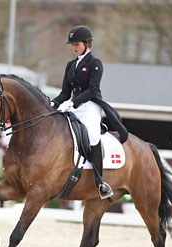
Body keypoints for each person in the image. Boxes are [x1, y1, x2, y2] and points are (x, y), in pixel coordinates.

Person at [51, 25, 128, 199]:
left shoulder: (95, 64)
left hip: (91, 106)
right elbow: (64, 92)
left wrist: (72, 101)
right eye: (72, 44)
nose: (74, 47)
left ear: (86, 43)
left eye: (77, 43)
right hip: (73, 106)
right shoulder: (70, 65)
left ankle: (100, 181)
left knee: (92, 137)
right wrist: (53, 103)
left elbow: (93, 90)